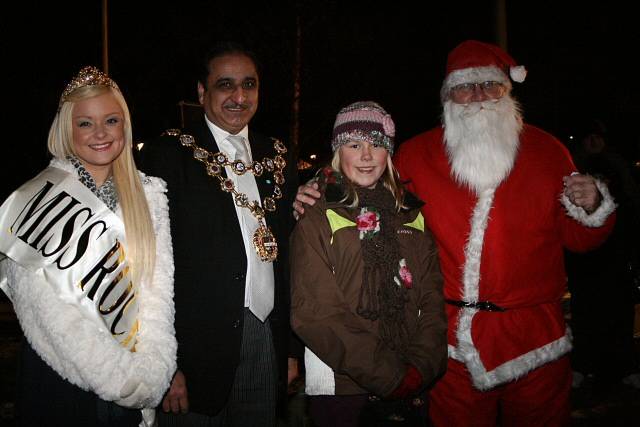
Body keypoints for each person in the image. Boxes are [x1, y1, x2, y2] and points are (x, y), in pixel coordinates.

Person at [294, 40, 617, 426]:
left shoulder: (547, 151)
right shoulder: (417, 154)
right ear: (448, 96)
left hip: (535, 340)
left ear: (507, 91)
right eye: (466, 86)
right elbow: (367, 176)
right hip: (449, 346)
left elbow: (581, 240)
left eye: (490, 85)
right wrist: (318, 185)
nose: (478, 96)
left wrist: (594, 205)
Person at [0, 66, 176, 426]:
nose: (100, 133)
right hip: (59, 379)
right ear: (67, 129)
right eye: (85, 123)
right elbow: (40, 308)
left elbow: (157, 294)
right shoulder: (34, 200)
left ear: (124, 125)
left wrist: (152, 371)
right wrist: (117, 378)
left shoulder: (149, 196)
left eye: (111, 120)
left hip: (134, 381)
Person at [137, 41, 299, 426]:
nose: (239, 97)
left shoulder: (278, 156)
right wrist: (165, 363)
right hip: (193, 349)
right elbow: (146, 268)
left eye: (250, 84)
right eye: (225, 84)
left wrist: (290, 350)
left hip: (265, 337)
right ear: (201, 91)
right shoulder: (167, 154)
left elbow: (291, 259)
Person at [290, 101, 447, 427]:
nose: (366, 155)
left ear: (388, 152)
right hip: (343, 384)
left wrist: (422, 364)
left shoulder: (410, 212)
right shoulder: (318, 213)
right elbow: (315, 312)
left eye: (376, 144)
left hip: (412, 375)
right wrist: (386, 374)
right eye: (354, 144)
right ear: (338, 151)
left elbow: (432, 296)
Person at [565, 120, 640, 389]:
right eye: (589, 137)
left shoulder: (618, 165)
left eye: (598, 137)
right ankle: (583, 364)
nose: (594, 142)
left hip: (616, 253)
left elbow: (631, 202)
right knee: (585, 311)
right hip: (585, 258)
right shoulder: (573, 166)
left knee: (619, 311)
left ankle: (626, 365)